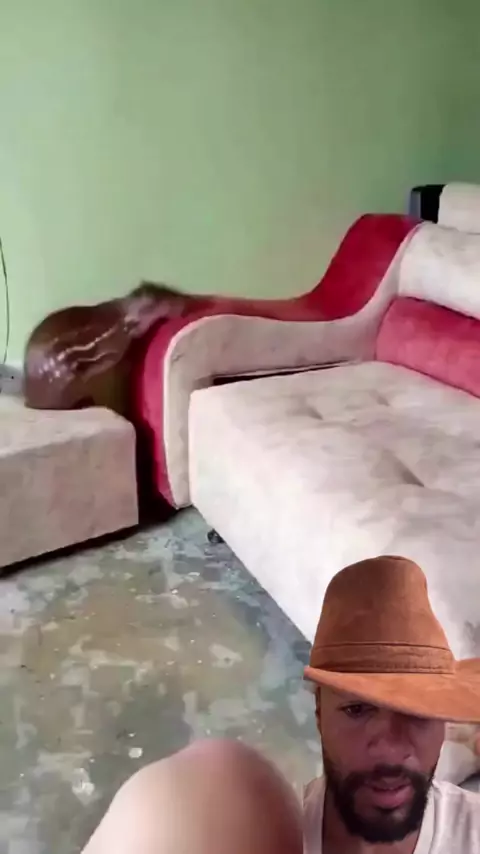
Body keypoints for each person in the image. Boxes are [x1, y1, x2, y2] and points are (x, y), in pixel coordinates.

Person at [81, 556, 480, 853]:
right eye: (358, 710)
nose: (391, 748)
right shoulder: (247, 826)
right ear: (319, 712)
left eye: (418, 713)